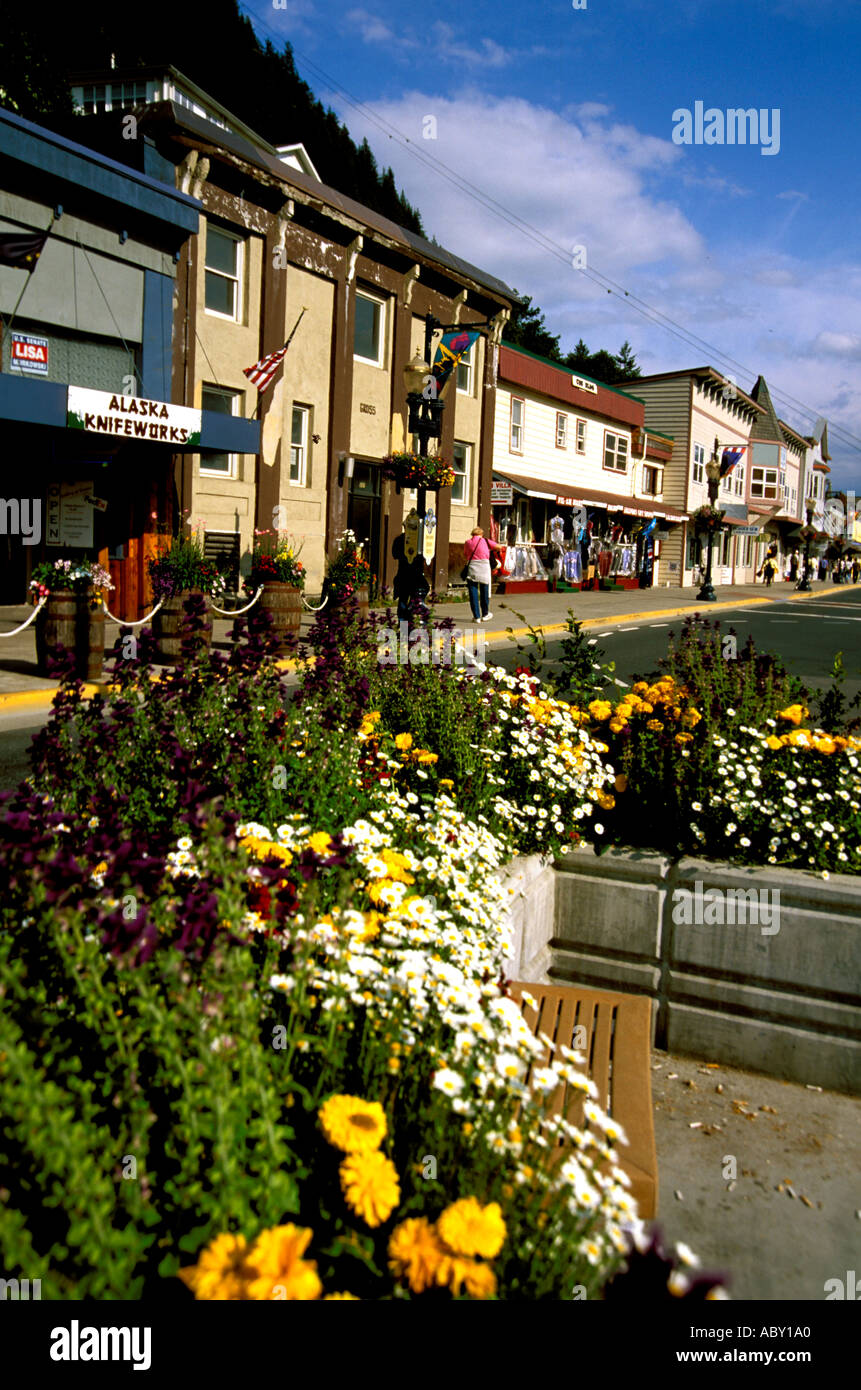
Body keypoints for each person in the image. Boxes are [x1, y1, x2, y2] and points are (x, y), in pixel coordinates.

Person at [463, 526, 504, 623]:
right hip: (484, 567)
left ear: (472, 534)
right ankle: (485, 614)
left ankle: (476, 617)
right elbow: (499, 547)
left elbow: (465, 554)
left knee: (473, 592)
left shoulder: (467, 542)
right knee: (484, 591)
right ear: (481, 534)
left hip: (472, 567)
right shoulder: (485, 541)